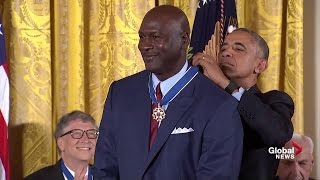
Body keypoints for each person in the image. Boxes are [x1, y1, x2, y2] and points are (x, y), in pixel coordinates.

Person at [92, 5, 244, 180]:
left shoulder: (220, 105)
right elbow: (104, 169)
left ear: (184, 40)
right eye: (142, 37)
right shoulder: (120, 93)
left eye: (155, 37)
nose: (144, 46)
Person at [192, 28, 294, 180]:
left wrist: (225, 83)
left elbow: (278, 134)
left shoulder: (274, 101)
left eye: (238, 49)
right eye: (224, 48)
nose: (226, 53)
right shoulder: (205, 102)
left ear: (260, 66)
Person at [24, 110, 99, 180]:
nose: (86, 140)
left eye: (91, 133)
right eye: (77, 133)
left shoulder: (108, 176)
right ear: (61, 143)